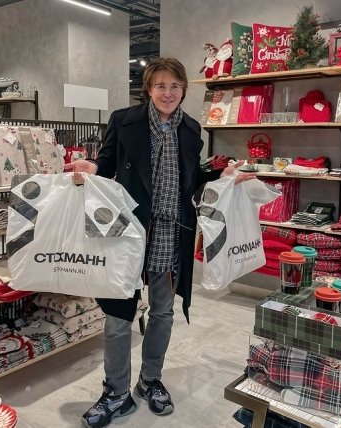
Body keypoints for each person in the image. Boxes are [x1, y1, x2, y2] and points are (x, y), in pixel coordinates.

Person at [64, 57, 256, 428]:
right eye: (160, 86)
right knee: (118, 317)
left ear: (183, 89)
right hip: (128, 231)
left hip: (172, 232)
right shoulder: (124, 120)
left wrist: (222, 174)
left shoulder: (191, 128)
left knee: (163, 311)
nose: (168, 93)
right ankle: (116, 392)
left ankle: (150, 380)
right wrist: (92, 167)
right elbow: (107, 164)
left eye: (175, 86)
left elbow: (191, 179)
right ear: (149, 89)